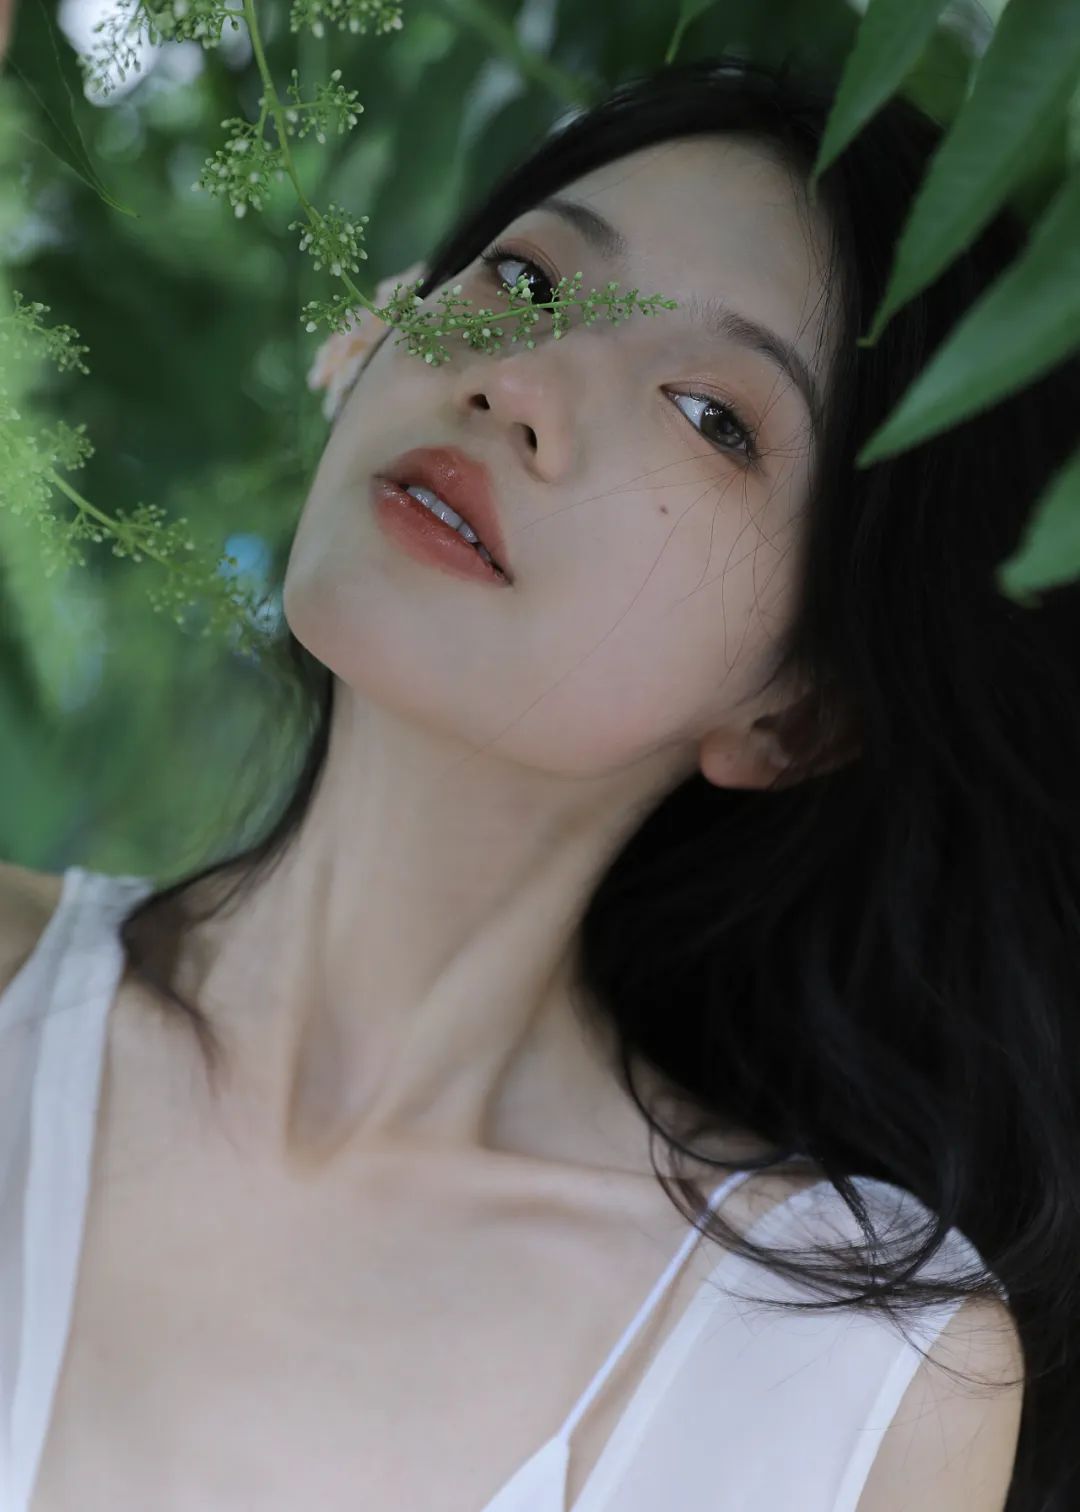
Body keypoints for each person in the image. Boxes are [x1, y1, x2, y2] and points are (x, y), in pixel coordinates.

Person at [3, 52, 1079, 1512]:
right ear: (367, 344)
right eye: (524, 280)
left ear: (796, 717)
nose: (516, 382)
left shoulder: (843, 1376)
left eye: (711, 415)